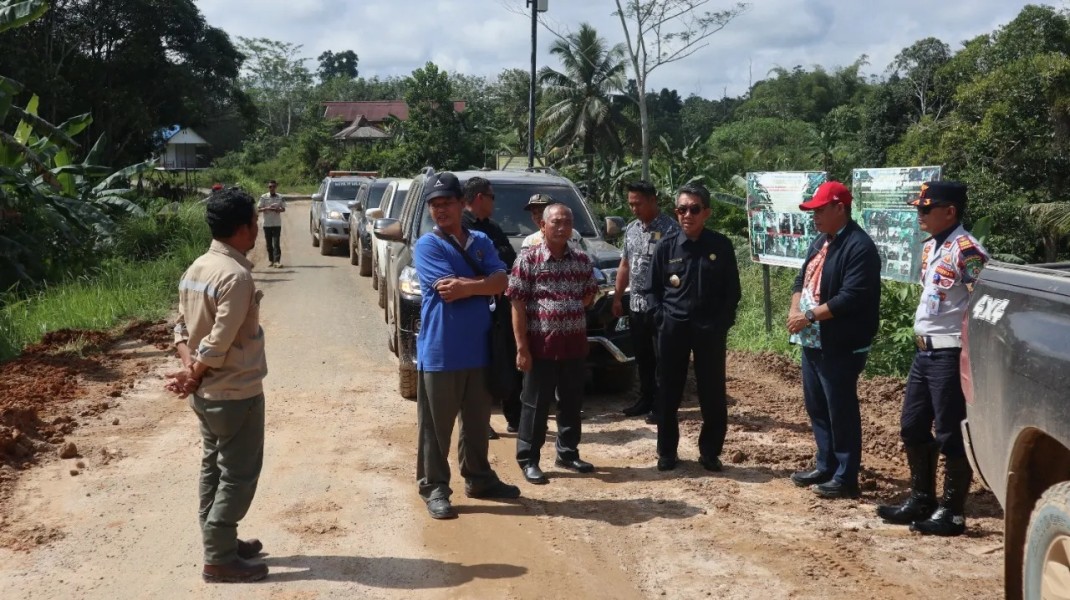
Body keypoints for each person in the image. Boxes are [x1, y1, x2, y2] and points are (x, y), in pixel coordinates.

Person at [164, 187, 269, 583]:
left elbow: (181, 326)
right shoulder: (236, 275)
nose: (258, 229)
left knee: (213, 467)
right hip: (235, 393)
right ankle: (219, 558)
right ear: (243, 228)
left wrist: (189, 368)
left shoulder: (196, 268)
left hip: (207, 394)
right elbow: (220, 341)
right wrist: (193, 372)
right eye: (255, 222)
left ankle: (221, 542)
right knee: (239, 475)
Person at [877, 181, 988, 536]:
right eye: (918, 209)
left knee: (949, 430)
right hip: (924, 351)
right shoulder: (933, 248)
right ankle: (921, 499)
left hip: (950, 352)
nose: (919, 215)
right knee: (912, 426)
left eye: (926, 209)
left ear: (950, 211)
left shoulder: (967, 250)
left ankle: (952, 513)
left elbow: (981, 304)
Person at [411, 172, 521, 520]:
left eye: (446, 203)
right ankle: (435, 488)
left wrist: (470, 286)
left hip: (479, 349)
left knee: (476, 423)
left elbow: (503, 280)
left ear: (462, 204)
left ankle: (479, 478)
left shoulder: (480, 241)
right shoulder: (428, 245)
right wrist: (483, 284)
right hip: (441, 351)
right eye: (434, 205)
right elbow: (446, 288)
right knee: (436, 429)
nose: (440, 210)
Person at [787, 181, 881, 499]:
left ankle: (846, 475)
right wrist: (794, 310)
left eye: (819, 210)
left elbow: (850, 297)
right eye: (812, 211)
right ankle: (825, 464)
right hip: (813, 340)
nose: (814, 216)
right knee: (817, 405)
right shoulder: (822, 240)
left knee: (840, 407)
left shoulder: (859, 246)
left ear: (840, 208)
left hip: (841, 342)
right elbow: (801, 277)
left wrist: (809, 316)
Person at [645, 184, 741, 472]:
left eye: (694, 209)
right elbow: (651, 290)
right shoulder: (666, 246)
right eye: (681, 209)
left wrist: (722, 323)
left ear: (706, 213)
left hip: (709, 330)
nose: (687, 214)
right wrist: (661, 319)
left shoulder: (721, 246)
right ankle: (667, 452)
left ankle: (710, 452)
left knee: (712, 393)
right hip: (673, 329)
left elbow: (732, 292)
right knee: (668, 392)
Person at [508, 203, 600, 484]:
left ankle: (568, 452)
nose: (562, 228)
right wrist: (522, 348)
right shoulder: (528, 259)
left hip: (573, 344)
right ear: (542, 226)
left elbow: (588, 295)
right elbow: (517, 304)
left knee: (571, 401)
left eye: (567, 222)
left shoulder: (582, 260)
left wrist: (564, 313)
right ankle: (529, 458)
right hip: (540, 346)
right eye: (556, 222)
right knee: (535, 403)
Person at [613, 180, 679, 424]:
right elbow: (625, 265)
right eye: (630, 204)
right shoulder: (631, 229)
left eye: (638, 203)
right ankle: (646, 398)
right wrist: (618, 297)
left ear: (653, 200)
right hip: (637, 304)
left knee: (663, 357)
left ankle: (663, 405)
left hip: (663, 304)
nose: (633, 209)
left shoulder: (671, 229)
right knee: (643, 356)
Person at [462, 176, 521, 438]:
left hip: (501, 302)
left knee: (506, 357)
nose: (494, 202)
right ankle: (478, 421)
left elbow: (508, 260)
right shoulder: (460, 228)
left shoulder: (493, 228)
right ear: (479, 198)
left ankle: (516, 417)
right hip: (474, 305)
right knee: (477, 365)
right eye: (492, 197)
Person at [521, 194, 587, 251]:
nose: (538, 216)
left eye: (541, 211)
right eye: (534, 213)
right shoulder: (529, 241)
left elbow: (587, 260)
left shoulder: (573, 234)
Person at [257, 180, 286, 268]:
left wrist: (278, 209)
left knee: (276, 243)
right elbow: (258, 208)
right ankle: (271, 260)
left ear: (276, 187)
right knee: (269, 244)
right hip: (267, 224)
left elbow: (283, 208)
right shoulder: (264, 197)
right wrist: (267, 208)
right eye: (270, 187)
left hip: (277, 223)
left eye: (273, 186)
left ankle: (277, 261)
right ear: (268, 188)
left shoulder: (280, 197)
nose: (272, 188)